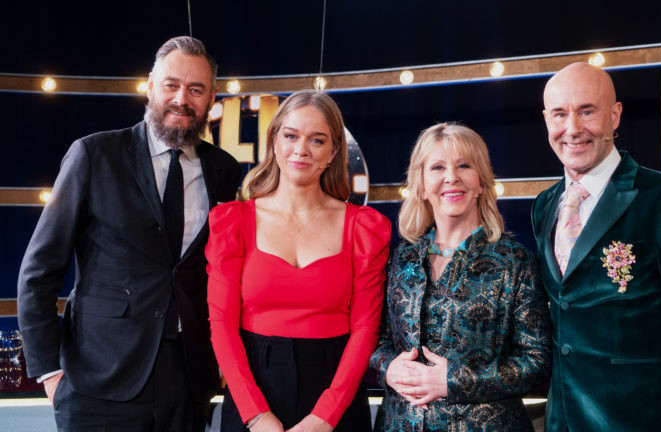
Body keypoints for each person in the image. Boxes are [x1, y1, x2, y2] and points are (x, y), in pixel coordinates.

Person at [16, 36, 242, 431]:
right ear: (150, 86)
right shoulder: (94, 154)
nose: (181, 99)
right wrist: (49, 372)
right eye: (171, 85)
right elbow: (39, 271)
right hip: (97, 378)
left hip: (187, 382)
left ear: (211, 98)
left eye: (195, 89)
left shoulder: (224, 169)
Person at [531, 62, 661, 431]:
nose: (572, 128)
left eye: (586, 111)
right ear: (546, 120)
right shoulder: (544, 205)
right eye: (560, 114)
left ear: (615, 115)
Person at [206, 89, 391, 432]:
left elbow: (366, 327)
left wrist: (325, 417)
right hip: (253, 396)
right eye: (291, 136)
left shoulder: (364, 228)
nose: (301, 149)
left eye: (317, 140)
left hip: (336, 398)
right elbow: (221, 324)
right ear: (274, 141)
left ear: (333, 152)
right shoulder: (232, 222)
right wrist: (256, 415)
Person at [370, 122, 552, 432]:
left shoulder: (516, 261)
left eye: (464, 165)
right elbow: (378, 339)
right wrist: (388, 368)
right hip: (399, 424)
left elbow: (537, 361)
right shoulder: (400, 258)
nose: (451, 177)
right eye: (437, 167)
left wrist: (453, 380)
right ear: (421, 186)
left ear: (481, 182)